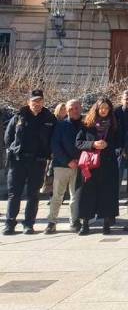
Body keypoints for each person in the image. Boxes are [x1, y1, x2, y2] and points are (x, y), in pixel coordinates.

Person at [3, 90, 57, 235]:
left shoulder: (49, 119)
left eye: (39, 101)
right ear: (29, 102)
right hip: (18, 161)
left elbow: (53, 139)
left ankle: (28, 224)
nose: (37, 104)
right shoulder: (19, 116)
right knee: (14, 194)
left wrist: (47, 155)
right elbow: (8, 137)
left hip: (37, 161)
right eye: (34, 101)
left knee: (33, 195)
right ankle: (9, 223)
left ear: (43, 102)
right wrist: (12, 151)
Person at [75, 98, 121, 235]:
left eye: (106, 108)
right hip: (90, 165)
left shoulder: (114, 125)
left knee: (107, 194)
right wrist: (93, 144)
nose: (104, 110)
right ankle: (85, 224)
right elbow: (78, 143)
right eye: (101, 108)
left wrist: (108, 145)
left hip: (108, 164)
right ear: (96, 109)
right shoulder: (87, 124)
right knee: (87, 194)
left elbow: (119, 143)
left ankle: (106, 224)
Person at [46, 99, 83, 234]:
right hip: (62, 165)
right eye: (71, 108)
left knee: (76, 196)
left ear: (81, 108)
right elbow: (55, 145)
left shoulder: (85, 124)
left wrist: (80, 161)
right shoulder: (60, 125)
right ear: (67, 110)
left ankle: (74, 221)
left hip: (80, 165)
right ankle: (52, 222)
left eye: (77, 108)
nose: (74, 110)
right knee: (57, 195)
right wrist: (68, 161)